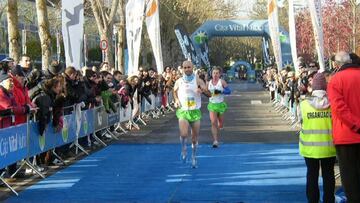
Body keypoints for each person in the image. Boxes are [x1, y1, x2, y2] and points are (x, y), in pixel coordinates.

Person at [327, 51, 360, 203]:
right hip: (351, 133)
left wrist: (355, 124)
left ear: (337, 64)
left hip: (346, 135)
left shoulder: (335, 80)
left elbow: (339, 108)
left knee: (350, 179)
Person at [299, 73, 336, 203]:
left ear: (313, 87)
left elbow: (301, 121)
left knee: (312, 175)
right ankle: (329, 200)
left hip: (309, 147)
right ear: (325, 87)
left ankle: (312, 200)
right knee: (329, 175)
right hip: (329, 146)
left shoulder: (303, 104)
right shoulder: (332, 104)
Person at [173, 60, 210, 168]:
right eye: (185, 68)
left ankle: (194, 157)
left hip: (195, 111)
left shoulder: (198, 80)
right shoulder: (179, 81)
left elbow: (209, 94)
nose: (187, 69)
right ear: (182, 69)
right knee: (184, 134)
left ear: (192, 68)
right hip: (183, 111)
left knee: (194, 138)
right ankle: (184, 148)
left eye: (189, 67)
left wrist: (203, 91)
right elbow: (174, 91)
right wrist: (176, 100)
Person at [206, 66, 230, 148]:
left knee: (220, 123)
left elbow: (229, 91)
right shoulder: (208, 83)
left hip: (220, 104)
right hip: (212, 104)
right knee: (213, 123)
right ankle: (215, 141)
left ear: (219, 74)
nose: (215, 75)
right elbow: (206, 92)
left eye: (217, 73)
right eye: (214, 73)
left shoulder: (222, 82)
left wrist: (221, 91)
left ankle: (221, 124)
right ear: (211, 74)